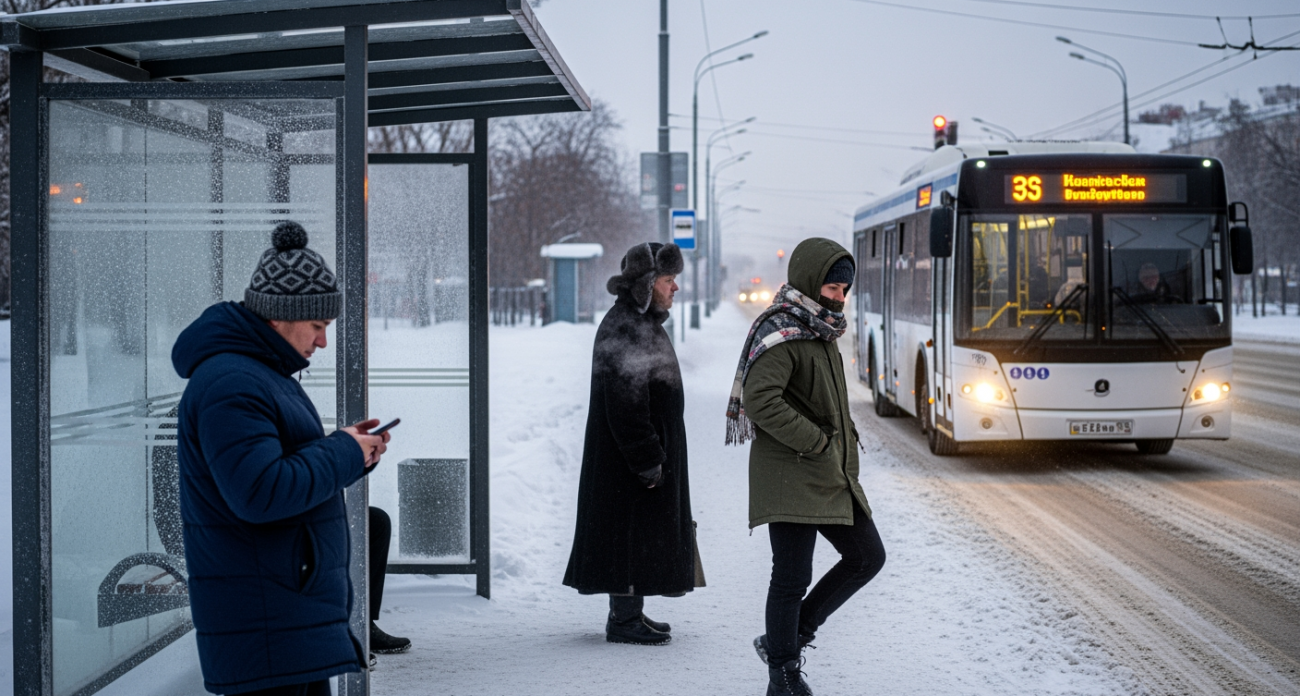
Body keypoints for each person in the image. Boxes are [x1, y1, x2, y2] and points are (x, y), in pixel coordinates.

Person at [172, 221, 391, 695]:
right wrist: (341, 453)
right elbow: (259, 491)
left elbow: (276, 465)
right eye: (318, 326)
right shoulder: (233, 383)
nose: (322, 342)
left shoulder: (257, 373)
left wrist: (351, 450)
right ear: (279, 316)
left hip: (281, 614)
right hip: (266, 621)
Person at [726, 238, 887, 696]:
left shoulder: (821, 329)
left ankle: (791, 637)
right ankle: (782, 675)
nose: (838, 297)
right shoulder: (782, 330)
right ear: (809, 280)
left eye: (843, 290)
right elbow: (761, 401)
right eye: (832, 287)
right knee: (792, 575)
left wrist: (834, 447)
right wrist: (815, 440)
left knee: (866, 557)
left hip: (827, 472)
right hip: (791, 470)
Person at [563, 241, 700, 646]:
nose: (675, 288)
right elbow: (625, 403)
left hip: (635, 454)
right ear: (647, 283)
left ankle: (630, 611)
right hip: (627, 460)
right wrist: (646, 458)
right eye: (669, 279)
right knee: (626, 530)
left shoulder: (639, 323)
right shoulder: (627, 326)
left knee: (636, 531)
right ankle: (623, 620)